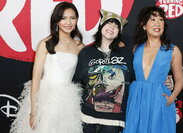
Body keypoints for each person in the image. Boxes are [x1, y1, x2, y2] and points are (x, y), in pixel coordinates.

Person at [9, 2, 84, 133]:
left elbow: (97, 56)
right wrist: (33, 111)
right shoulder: (45, 43)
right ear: (57, 20)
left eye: (72, 18)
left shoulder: (79, 46)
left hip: (67, 101)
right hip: (45, 98)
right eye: (63, 18)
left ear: (77, 19)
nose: (68, 22)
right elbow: (36, 77)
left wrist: (117, 44)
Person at [123, 6, 183, 133]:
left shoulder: (172, 50)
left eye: (161, 19)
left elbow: (179, 79)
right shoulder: (136, 49)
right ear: (144, 25)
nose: (157, 23)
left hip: (160, 100)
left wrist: (171, 98)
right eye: (153, 19)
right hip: (137, 99)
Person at [73, 9, 134, 133]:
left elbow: (133, 79)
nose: (112, 27)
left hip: (114, 118)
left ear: (119, 33)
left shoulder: (126, 53)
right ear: (101, 25)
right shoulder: (86, 52)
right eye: (108, 23)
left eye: (116, 26)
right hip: (87, 116)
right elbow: (77, 81)